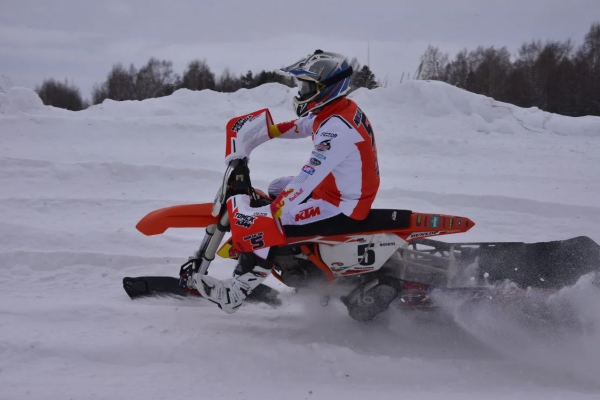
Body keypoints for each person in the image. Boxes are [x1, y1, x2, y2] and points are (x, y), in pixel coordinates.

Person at [197, 50, 381, 312]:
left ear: (326, 87)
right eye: (301, 85)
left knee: (266, 221)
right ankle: (294, 253)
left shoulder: (337, 129)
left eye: (307, 86)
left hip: (343, 204)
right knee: (274, 187)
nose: (301, 91)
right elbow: (302, 126)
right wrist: (262, 134)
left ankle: (237, 291)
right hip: (338, 188)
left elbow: (306, 178)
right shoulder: (336, 110)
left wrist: (270, 214)